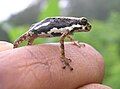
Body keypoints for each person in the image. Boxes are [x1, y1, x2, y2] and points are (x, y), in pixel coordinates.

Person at [0, 41, 112, 89]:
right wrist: (63, 57)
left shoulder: (68, 31)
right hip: (40, 28)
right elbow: (62, 41)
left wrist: (74, 42)